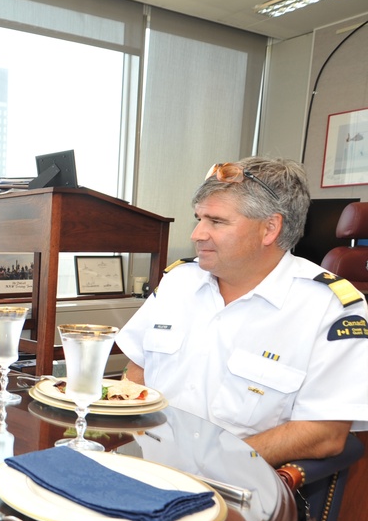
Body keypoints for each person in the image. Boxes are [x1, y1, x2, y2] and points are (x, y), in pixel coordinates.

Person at [116, 156, 368, 467]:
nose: (196, 234)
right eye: (199, 218)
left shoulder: (330, 308)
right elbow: (136, 369)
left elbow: (324, 433)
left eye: (217, 221)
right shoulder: (179, 281)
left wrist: (208, 463)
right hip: (145, 462)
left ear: (270, 229)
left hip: (236, 483)